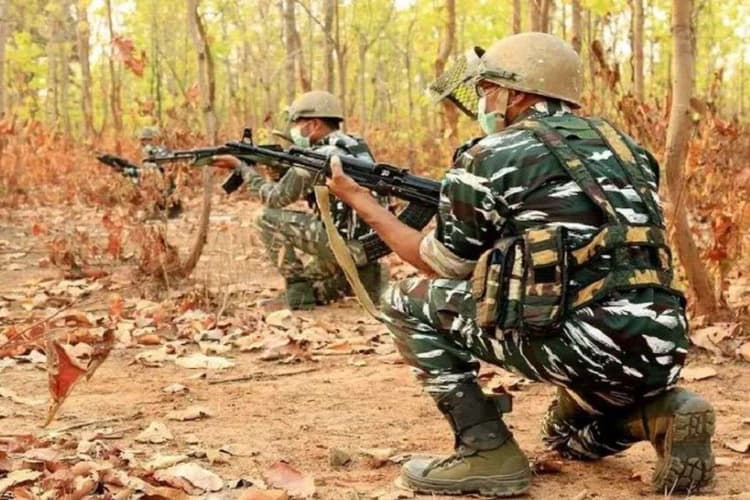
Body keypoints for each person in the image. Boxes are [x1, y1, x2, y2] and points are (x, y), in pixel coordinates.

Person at [325, 32, 715, 497]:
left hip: (578, 342)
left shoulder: (490, 154)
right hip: (661, 345)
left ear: (515, 92)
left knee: (404, 299)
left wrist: (360, 200)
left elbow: (442, 263)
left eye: (486, 88)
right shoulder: (629, 149)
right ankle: (664, 412)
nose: (483, 100)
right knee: (564, 439)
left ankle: (485, 451)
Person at [210, 90, 387, 310]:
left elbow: (274, 198)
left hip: (345, 246)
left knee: (265, 218)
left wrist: (242, 168)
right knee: (314, 278)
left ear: (313, 125)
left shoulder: (317, 156)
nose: (293, 129)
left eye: (297, 123)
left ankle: (298, 294)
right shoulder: (354, 146)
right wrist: (279, 170)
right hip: (371, 246)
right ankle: (364, 276)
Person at [138, 126, 183, 219]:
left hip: (164, 182)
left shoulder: (160, 150)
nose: (145, 143)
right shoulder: (142, 152)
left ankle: (167, 208)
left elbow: (167, 163)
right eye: (143, 140)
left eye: (147, 140)